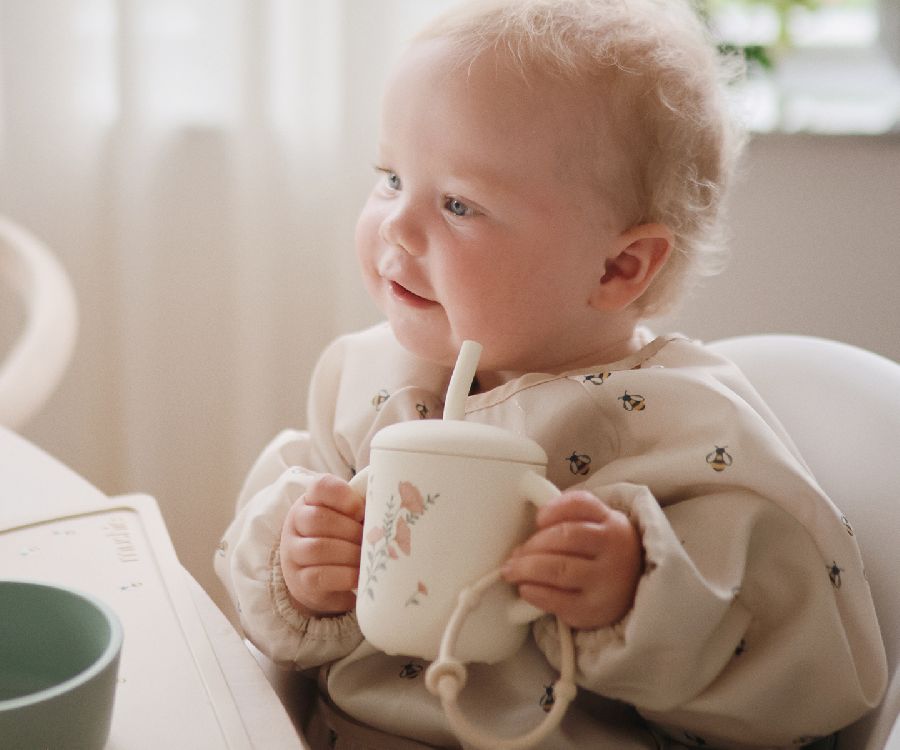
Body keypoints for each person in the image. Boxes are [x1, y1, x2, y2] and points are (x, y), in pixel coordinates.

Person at [215, 1, 887, 747]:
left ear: (617, 267)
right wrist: (299, 566)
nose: (398, 225)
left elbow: (800, 673)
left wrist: (636, 595)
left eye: (458, 204)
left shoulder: (690, 429)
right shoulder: (368, 378)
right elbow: (259, 582)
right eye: (391, 178)